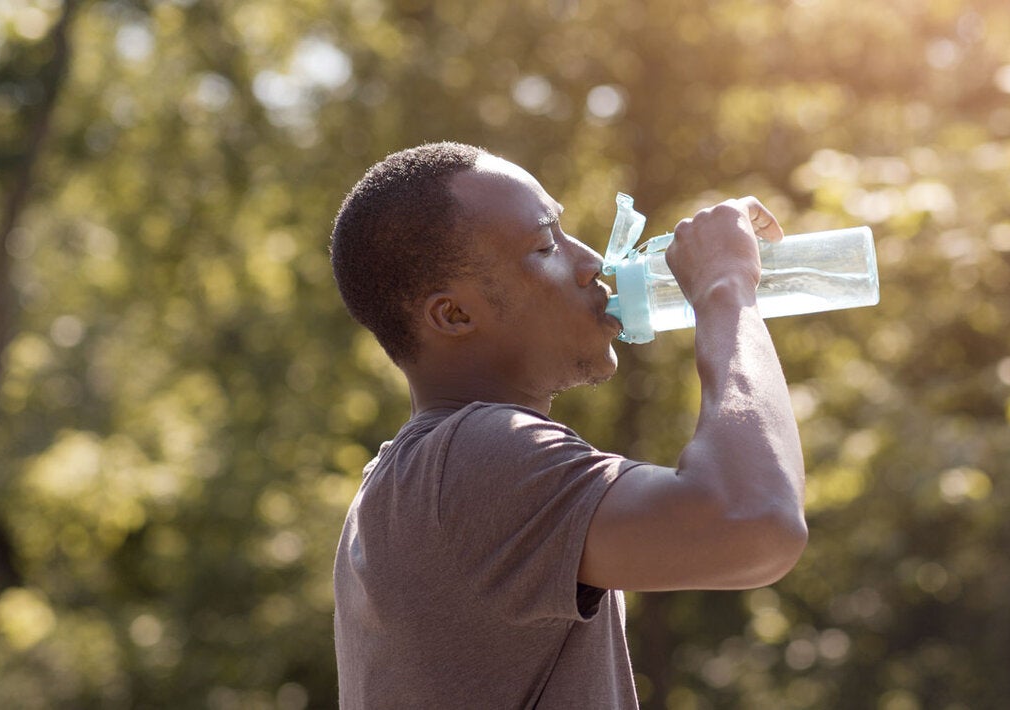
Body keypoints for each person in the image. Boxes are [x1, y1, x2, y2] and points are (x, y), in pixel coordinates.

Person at [328, 141, 807, 708]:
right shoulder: (474, 458)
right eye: (545, 244)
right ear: (454, 314)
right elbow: (756, 524)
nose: (592, 264)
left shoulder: (408, 480)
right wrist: (726, 289)